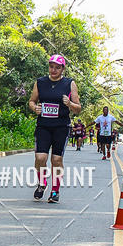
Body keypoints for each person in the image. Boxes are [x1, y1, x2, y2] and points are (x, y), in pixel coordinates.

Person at [28, 55, 82, 203]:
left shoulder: (69, 83)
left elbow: (78, 108)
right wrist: (35, 108)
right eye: (52, 66)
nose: (54, 70)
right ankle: (42, 183)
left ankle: (55, 191)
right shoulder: (40, 82)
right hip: (43, 126)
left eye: (57, 67)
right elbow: (32, 101)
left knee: (56, 160)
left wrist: (70, 104)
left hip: (61, 127)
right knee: (40, 158)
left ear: (62, 69)